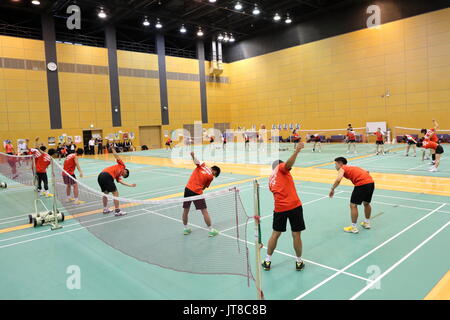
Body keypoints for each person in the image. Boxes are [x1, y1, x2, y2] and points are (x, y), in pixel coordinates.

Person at [263, 143, 306, 271]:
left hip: (279, 209)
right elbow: (287, 164)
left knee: (275, 234)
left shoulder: (270, 179)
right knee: (296, 234)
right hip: (294, 206)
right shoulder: (281, 168)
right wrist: (296, 151)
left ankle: (267, 260)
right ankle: (298, 262)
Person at [329, 157, 375, 234]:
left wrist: (332, 189)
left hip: (361, 184)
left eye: (335, 164)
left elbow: (338, 179)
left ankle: (353, 228)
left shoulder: (342, 168)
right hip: (370, 183)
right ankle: (367, 223)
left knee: (353, 205)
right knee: (366, 203)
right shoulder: (352, 167)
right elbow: (367, 172)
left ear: (340, 163)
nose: (335, 166)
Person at [182, 152, 221, 237]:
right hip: (197, 192)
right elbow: (203, 187)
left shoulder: (203, 166)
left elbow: (197, 162)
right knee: (204, 211)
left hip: (188, 189)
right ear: (214, 170)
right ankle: (211, 230)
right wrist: (193, 156)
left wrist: (193, 156)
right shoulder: (210, 176)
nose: (213, 176)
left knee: (186, 210)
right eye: (215, 174)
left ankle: (185, 229)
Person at [98, 148, 136, 216]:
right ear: (125, 171)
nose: (123, 175)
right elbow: (117, 156)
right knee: (116, 193)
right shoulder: (122, 165)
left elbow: (122, 182)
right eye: (124, 175)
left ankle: (105, 209)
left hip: (101, 176)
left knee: (106, 193)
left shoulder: (118, 176)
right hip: (106, 175)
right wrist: (113, 149)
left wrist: (130, 185)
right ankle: (117, 211)